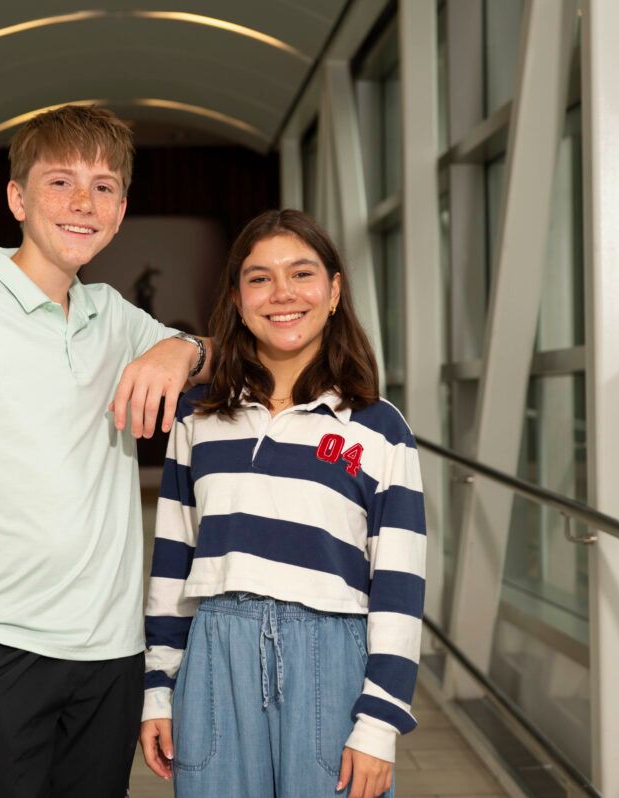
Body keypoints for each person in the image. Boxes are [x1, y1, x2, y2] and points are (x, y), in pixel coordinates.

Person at [0, 105, 211, 797]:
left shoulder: (115, 316)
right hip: (5, 646)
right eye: (60, 182)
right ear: (18, 198)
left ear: (121, 211)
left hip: (113, 651)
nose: (83, 202)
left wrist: (182, 347)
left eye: (103, 187)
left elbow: (225, 359)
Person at [140, 209, 426, 798]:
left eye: (301, 273)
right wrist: (158, 690)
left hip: (333, 663)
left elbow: (399, 587)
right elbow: (172, 564)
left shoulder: (379, 429)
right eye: (260, 278)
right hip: (216, 658)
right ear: (238, 299)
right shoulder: (198, 419)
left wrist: (379, 723)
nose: (282, 294)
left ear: (334, 291)